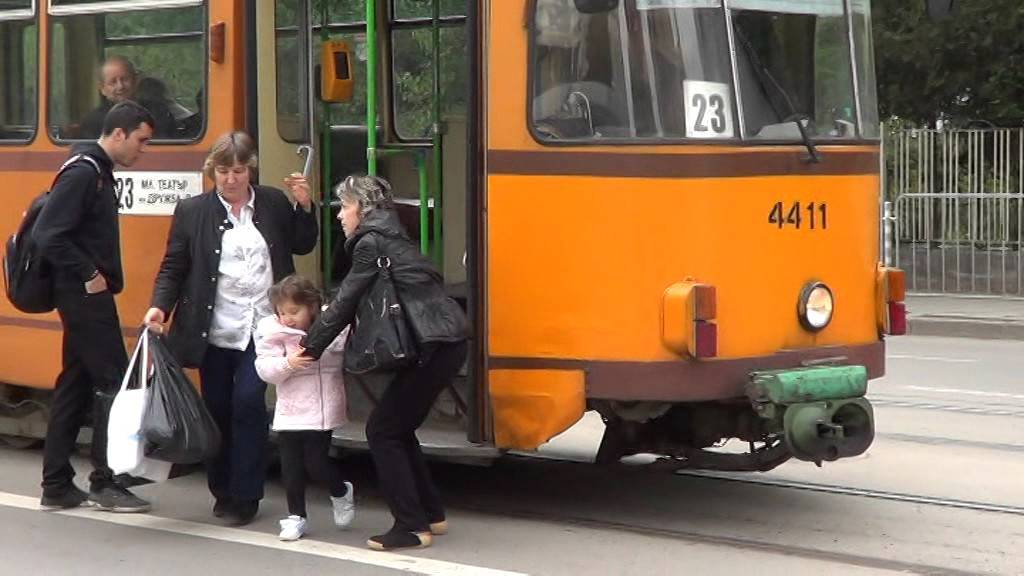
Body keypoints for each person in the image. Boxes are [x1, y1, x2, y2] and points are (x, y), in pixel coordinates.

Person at [143, 131, 318, 526]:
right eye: (223, 171)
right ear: (213, 171)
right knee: (217, 408)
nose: (231, 179)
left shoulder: (272, 202)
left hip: (265, 328)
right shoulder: (192, 211)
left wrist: (305, 207)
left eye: (238, 171)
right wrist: (159, 307)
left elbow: (303, 243)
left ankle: (247, 495)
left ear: (249, 170)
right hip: (214, 328)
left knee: (248, 403)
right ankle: (222, 490)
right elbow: (174, 266)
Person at [301, 175, 468, 552]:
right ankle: (431, 514)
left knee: (382, 431)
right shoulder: (393, 235)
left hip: (431, 346)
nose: (340, 215)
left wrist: (309, 348)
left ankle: (411, 526)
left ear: (362, 208)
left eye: (344, 206)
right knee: (398, 427)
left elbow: (345, 302)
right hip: (443, 342)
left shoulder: (370, 242)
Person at [34, 101, 155, 513]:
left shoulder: (94, 170)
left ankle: (56, 484)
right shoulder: (85, 173)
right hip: (84, 295)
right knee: (113, 383)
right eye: (141, 140)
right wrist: (89, 273)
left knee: (75, 383)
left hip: (82, 295)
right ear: (118, 134)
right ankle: (106, 481)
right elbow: (49, 234)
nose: (143, 149)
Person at [254, 275, 355, 541]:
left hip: (322, 406)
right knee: (290, 465)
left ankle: (340, 490)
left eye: (294, 311)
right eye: (282, 312)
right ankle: (295, 516)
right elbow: (265, 369)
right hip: (289, 408)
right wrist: (288, 363)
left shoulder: (332, 325)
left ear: (311, 307)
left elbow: (344, 349)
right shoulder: (273, 333)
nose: (287, 318)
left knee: (316, 463)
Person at [78, 56, 175, 139]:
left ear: (135, 80)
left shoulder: (158, 111)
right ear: (102, 88)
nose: (120, 86)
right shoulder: (92, 121)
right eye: (113, 82)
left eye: (125, 79)